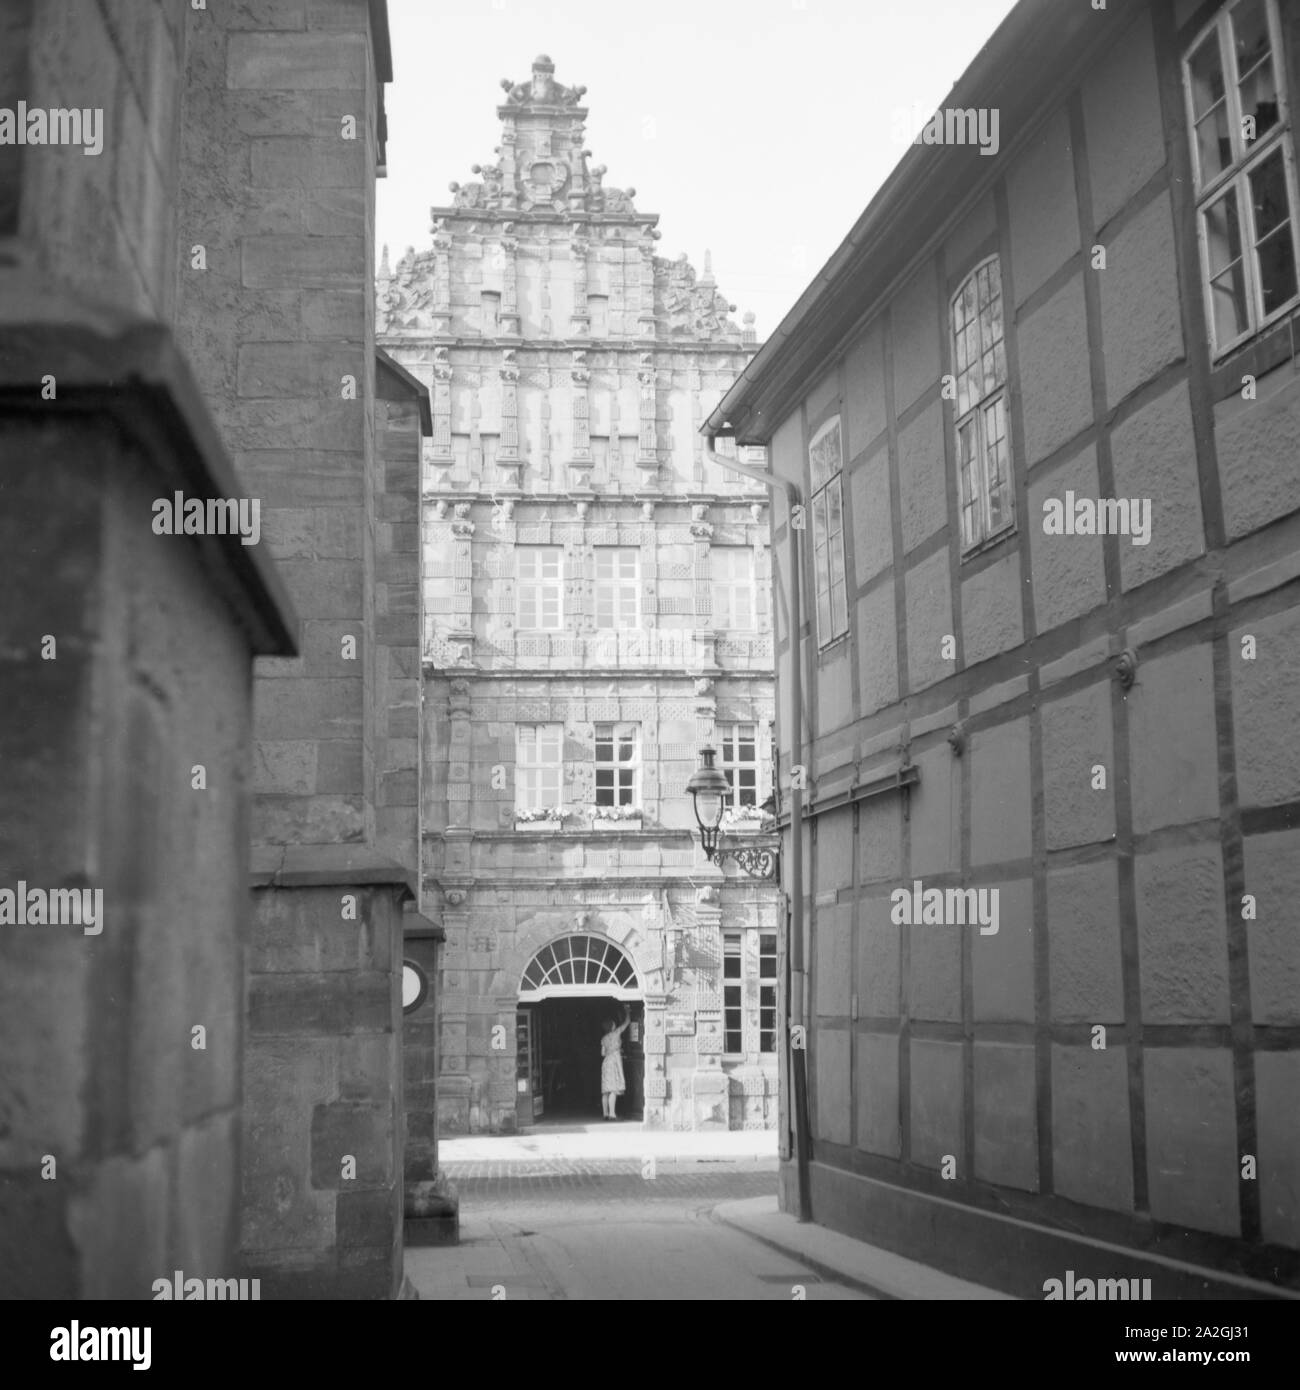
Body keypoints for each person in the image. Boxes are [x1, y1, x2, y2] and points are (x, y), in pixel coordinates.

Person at [600, 1004, 632, 1120]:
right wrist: (627, 1012)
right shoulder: (617, 1032)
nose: (615, 1024)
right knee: (613, 1089)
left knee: (605, 1091)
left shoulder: (603, 1039)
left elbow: (602, 1053)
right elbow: (627, 1022)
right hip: (614, 1061)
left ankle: (605, 1113)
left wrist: (610, 1049)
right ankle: (612, 1114)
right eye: (613, 1023)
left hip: (606, 1062)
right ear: (612, 1026)